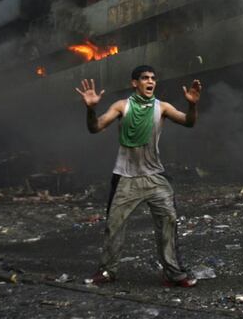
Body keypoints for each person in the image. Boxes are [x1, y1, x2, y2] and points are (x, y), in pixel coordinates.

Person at [75, 65, 201, 287]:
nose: (150, 81)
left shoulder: (162, 107)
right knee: (114, 226)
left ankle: (173, 272)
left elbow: (189, 122)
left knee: (168, 222)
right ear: (135, 83)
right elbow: (94, 128)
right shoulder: (122, 106)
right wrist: (90, 109)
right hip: (126, 176)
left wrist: (192, 105)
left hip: (154, 176)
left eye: (153, 78)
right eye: (145, 78)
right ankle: (107, 272)